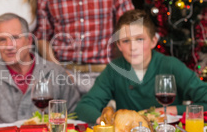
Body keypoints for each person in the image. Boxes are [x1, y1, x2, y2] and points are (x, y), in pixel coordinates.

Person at [75, 9, 207, 124]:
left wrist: (171, 110)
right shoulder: (114, 69)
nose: (133, 47)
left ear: (153, 41)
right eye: (126, 41)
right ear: (119, 45)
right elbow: (84, 107)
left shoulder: (171, 66)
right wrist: (106, 122)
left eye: (140, 39)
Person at [0, 13, 80, 124]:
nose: (9, 46)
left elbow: (74, 117)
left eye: (15, 38)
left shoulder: (56, 72)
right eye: (2, 39)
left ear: (29, 40)